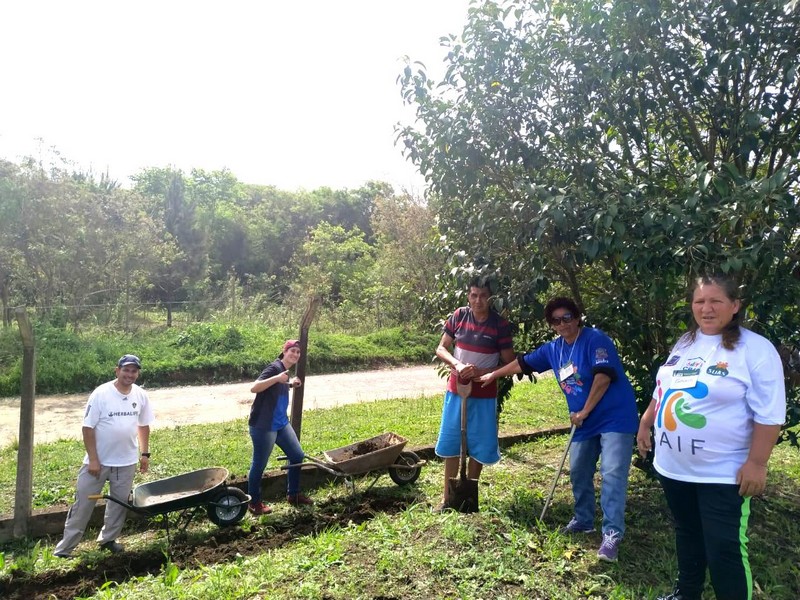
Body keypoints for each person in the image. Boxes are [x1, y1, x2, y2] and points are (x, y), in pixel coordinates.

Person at [637, 274, 786, 600]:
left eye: (716, 300)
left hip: (723, 474)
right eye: (699, 301)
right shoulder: (686, 342)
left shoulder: (755, 349)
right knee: (687, 533)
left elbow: (770, 413)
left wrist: (757, 463)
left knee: (724, 549)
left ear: (735, 305)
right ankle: (686, 594)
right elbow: (664, 388)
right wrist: (646, 422)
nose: (706, 308)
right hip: (674, 468)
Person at [479, 297, 638, 563]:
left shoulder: (595, 340)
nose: (562, 324)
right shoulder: (554, 349)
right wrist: (494, 374)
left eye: (567, 318)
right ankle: (583, 521)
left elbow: (603, 378)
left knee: (612, 473)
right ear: (551, 325)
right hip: (583, 421)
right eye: (556, 320)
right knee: (578, 471)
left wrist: (584, 411)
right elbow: (522, 363)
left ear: (577, 318)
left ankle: (612, 534)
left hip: (614, 418)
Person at [54, 354, 154, 558]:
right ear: (117, 371)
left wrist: (144, 453)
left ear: (137, 374)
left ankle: (108, 540)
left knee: (118, 504)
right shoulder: (101, 394)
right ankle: (65, 549)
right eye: (126, 370)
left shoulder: (140, 395)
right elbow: (87, 428)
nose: (129, 374)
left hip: (126, 461)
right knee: (83, 504)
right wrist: (93, 459)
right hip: (97, 463)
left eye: (134, 371)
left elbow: (143, 425)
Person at [433, 279, 516, 512]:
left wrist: (483, 372)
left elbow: (510, 363)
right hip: (456, 390)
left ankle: (468, 498)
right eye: (474, 295)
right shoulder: (459, 316)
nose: (478, 300)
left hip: (485, 394)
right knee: (451, 442)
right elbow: (441, 348)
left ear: (491, 298)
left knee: (479, 444)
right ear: (468, 296)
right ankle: (447, 499)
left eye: (483, 295)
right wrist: (458, 365)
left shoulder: (500, 325)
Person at [247, 339, 313, 515]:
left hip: (281, 423)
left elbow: (275, 388)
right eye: (292, 351)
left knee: (297, 455)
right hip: (264, 425)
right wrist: (277, 378)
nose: (295, 354)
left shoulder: (285, 371)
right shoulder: (275, 368)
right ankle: (254, 502)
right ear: (284, 352)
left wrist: (290, 384)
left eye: (298, 352)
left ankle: (293, 494)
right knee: (259, 464)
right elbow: (254, 388)